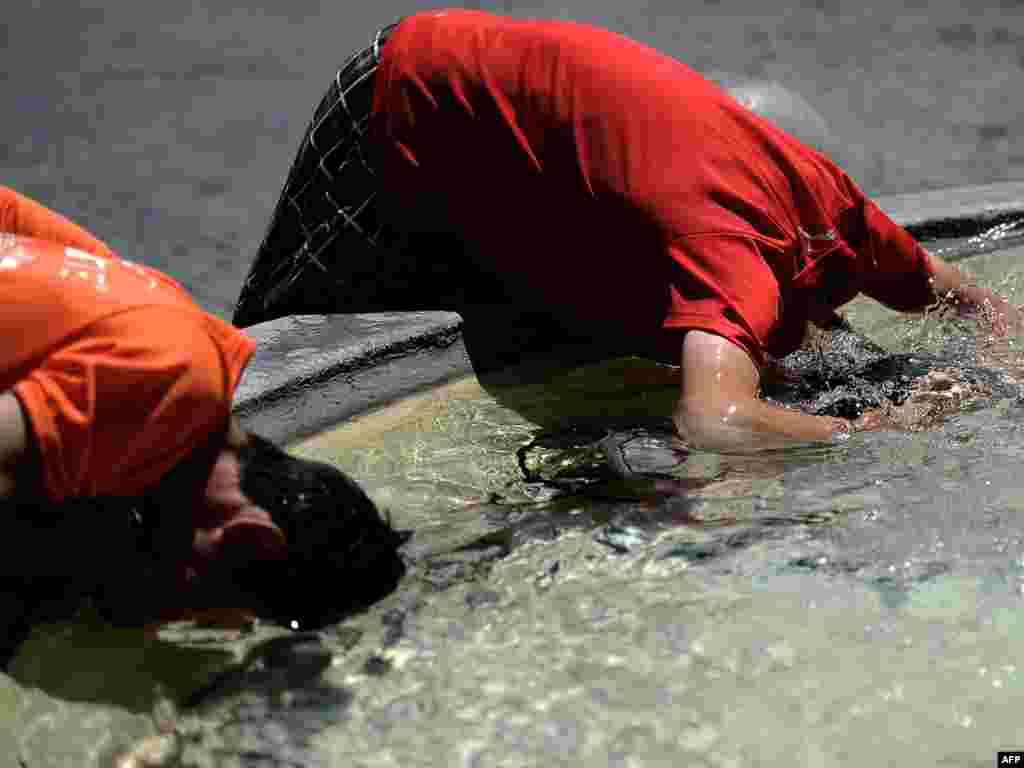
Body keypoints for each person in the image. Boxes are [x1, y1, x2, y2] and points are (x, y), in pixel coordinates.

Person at [232, 9, 1020, 453]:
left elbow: (958, 292)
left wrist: (1002, 336)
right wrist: (872, 431)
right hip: (407, 89)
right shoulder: (729, 255)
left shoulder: (837, 208)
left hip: (533, 140)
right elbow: (714, 422)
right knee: (285, 328)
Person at [0, 187, 404, 641]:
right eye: (219, 611)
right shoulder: (164, 377)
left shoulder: (179, 340)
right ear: (247, 540)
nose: (191, 617)